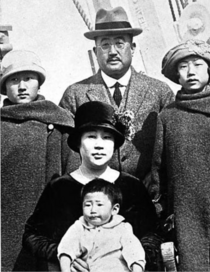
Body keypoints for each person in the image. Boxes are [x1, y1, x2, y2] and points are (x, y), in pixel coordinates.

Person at [23, 101, 161, 272]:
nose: (99, 145)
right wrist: (65, 256)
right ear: (78, 143)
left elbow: (152, 233)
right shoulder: (59, 187)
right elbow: (32, 235)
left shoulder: (132, 186)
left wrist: (130, 258)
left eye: (107, 137)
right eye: (91, 136)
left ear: (115, 145)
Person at [59, 6, 175, 189]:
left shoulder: (160, 92)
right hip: (94, 202)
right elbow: (69, 155)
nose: (112, 51)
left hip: (150, 202)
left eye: (120, 44)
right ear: (95, 51)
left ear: (133, 47)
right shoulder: (74, 95)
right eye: (105, 45)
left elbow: (172, 151)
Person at [1, 50, 75, 271]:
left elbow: (72, 173)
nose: (22, 86)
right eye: (13, 80)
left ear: (39, 83)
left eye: (28, 79)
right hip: (6, 221)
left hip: (51, 219)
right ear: (4, 87)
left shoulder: (59, 121)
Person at [150, 39, 210, 271]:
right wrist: (164, 212)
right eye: (183, 66)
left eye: (198, 65)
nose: (191, 72)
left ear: (209, 70)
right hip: (187, 213)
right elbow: (159, 170)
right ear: (176, 75)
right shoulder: (168, 116)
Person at [58, 178, 146, 272]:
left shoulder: (122, 228)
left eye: (99, 205)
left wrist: (137, 269)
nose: (93, 210)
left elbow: (134, 251)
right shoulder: (79, 227)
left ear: (114, 209)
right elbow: (66, 249)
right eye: (88, 205)